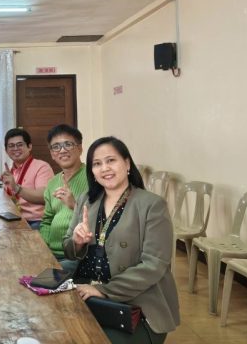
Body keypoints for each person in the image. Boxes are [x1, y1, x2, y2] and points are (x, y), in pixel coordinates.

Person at [63, 136, 180, 343]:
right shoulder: (86, 200)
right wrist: (78, 242)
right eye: (97, 164)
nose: (105, 168)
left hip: (134, 306)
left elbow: (154, 264)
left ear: (127, 163)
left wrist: (103, 290)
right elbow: (69, 250)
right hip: (86, 294)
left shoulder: (152, 205)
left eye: (111, 160)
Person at [39, 124, 88, 273]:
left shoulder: (93, 177)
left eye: (68, 144)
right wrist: (43, 248)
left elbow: (102, 219)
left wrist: (74, 204)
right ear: (52, 154)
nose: (62, 150)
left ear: (80, 148)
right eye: (56, 147)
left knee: (39, 275)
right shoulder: (52, 183)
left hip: (78, 254)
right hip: (51, 252)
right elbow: (47, 220)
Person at [0, 128, 53, 229]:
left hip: (36, 221)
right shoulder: (11, 171)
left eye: (20, 145)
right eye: (11, 146)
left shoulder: (42, 167)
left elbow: (44, 197)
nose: (15, 148)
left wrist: (16, 188)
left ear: (29, 147)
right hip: (14, 219)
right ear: (6, 151)